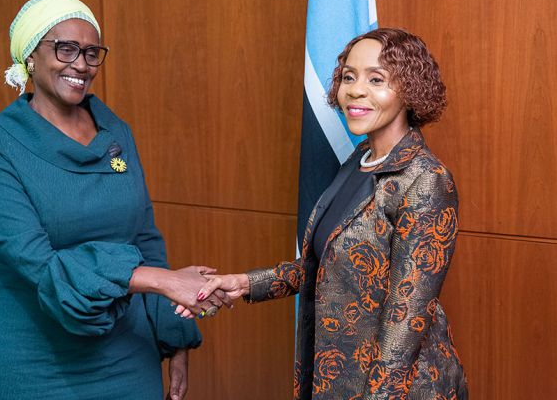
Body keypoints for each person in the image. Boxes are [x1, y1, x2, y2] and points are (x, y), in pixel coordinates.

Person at [0, 0, 226, 400]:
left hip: (125, 354)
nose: (81, 64)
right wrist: (163, 282)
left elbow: (144, 237)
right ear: (30, 56)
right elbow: (39, 264)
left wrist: (174, 334)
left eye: (91, 53)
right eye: (65, 48)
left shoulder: (116, 132)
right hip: (28, 359)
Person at [196, 28, 468, 399]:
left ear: (410, 90)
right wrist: (245, 283)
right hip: (335, 375)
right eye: (349, 77)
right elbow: (326, 268)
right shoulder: (360, 160)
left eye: (376, 79)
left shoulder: (426, 179)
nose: (355, 90)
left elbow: (406, 317)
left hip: (395, 388)